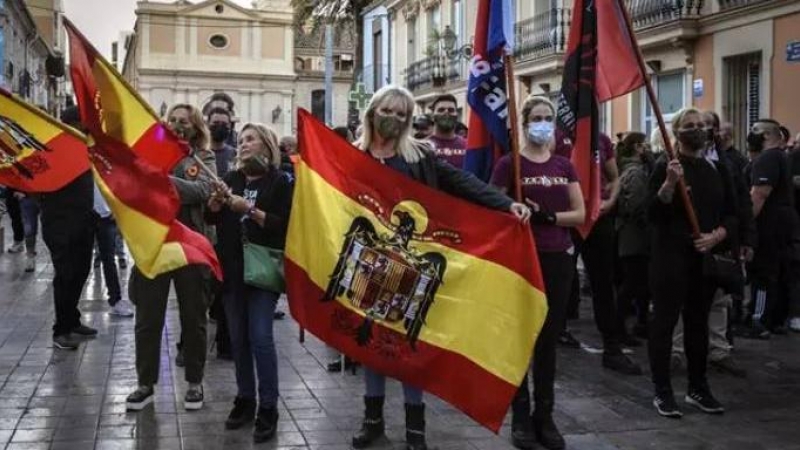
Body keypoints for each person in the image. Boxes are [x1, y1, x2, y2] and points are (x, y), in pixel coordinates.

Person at [349, 85, 530, 450]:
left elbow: (461, 182)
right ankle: (372, 422)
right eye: (389, 111)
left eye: (403, 115)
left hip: (411, 265)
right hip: (368, 262)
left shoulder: (420, 156)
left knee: (409, 345)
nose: (395, 119)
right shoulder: (351, 156)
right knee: (370, 344)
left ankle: (416, 430)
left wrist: (505, 203)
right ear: (372, 112)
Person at [491, 95, 584, 450]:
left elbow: (579, 213)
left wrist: (547, 218)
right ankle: (521, 417)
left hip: (558, 257)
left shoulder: (564, 165)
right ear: (525, 123)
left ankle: (545, 416)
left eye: (548, 118)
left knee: (548, 340)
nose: (543, 123)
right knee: (520, 339)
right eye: (537, 117)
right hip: (521, 259)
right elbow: (492, 206)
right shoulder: (508, 165)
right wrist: (512, 211)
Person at [646, 107, 737, 418]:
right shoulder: (666, 167)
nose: (698, 130)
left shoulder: (714, 170)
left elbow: (732, 212)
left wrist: (717, 235)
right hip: (670, 259)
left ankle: (698, 387)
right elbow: (652, 215)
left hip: (703, 259)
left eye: (701, 125)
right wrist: (669, 185)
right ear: (677, 132)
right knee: (665, 324)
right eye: (690, 125)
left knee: (698, 325)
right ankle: (663, 391)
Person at [126, 103, 217, 412]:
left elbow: (202, 190)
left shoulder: (202, 158)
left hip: (189, 244)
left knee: (194, 317)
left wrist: (163, 182)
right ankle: (145, 383)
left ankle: (194, 381)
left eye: (186, 122)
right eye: (174, 121)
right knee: (148, 318)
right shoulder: (150, 155)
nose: (179, 126)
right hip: (155, 242)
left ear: (196, 128)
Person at [206, 123, 293, 443]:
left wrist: (251, 210)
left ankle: (268, 407)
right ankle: (245, 399)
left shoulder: (280, 181)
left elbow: (283, 226)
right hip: (231, 271)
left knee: (260, 337)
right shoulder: (232, 180)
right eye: (240, 140)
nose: (242, 145)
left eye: (250, 139)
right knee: (238, 339)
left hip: (262, 273)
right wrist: (215, 205)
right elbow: (213, 219)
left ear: (266, 144)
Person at [556, 130, 643, 374]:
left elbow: (614, 178)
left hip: (598, 220)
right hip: (567, 220)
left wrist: (610, 200)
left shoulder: (601, 139)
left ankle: (612, 347)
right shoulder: (554, 136)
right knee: (561, 281)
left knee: (603, 284)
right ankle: (554, 336)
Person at [38, 106, 98, 350]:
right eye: (82, 123)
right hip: (60, 222)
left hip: (84, 219)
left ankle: (72, 320)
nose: (86, 128)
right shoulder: (53, 149)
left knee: (81, 271)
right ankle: (61, 331)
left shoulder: (84, 148)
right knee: (66, 275)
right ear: (72, 124)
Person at [746, 119, 798, 338]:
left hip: (769, 225)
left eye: (755, 131)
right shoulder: (783, 157)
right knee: (779, 271)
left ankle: (759, 320)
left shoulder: (768, 158)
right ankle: (775, 320)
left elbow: (759, 194)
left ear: (766, 136)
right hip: (784, 224)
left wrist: (745, 223)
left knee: (763, 273)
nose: (752, 135)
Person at [614, 132, 653, 342]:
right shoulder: (636, 172)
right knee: (632, 283)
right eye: (644, 145)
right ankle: (620, 328)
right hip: (635, 235)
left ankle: (639, 323)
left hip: (629, 233)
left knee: (636, 284)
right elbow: (637, 205)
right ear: (638, 147)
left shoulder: (627, 168)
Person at [206, 106, 237, 360]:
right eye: (216, 122)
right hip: (205, 230)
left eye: (225, 123)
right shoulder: (201, 155)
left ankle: (225, 338)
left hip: (226, 233)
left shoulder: (234, 156)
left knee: (223, 288)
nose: (220, 127)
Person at [92, 182, 133, 317]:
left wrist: (117, 209)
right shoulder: (79, 168)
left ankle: (115, 300)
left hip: (107, 217)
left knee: (109, 260)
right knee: (80, 262)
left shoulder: (104, 164)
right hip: (86, 217)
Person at [427, 94, 467, 168]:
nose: (446, 112)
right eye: (441, 110)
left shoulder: (468, 146)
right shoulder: (423, 146)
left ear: (456, 115)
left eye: (451, 110)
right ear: (432, 116)